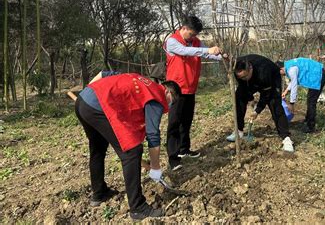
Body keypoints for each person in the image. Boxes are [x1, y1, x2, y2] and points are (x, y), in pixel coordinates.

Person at [75, 70, 181, 220]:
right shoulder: (157, 96)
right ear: (168, 92)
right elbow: (153, 136)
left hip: (83, 100)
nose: (170, 106)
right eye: (173, 101)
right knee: (132, 151)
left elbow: (103, 74)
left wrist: (88, 94)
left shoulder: (139, 79)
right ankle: (138, 208)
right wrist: (156, 167)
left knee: (98, 147)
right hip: (96, 107)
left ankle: (99, 193)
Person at [164, 16, 223, 171]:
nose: (193, 37)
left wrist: (220, 56)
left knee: (187, 120)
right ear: (183, 28)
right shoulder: (172, 41)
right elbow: (185, 51)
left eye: (195, 35)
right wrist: (206, 50)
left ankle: (184, 149)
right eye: (191, 34)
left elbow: (206, 54)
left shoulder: (196, 42)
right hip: (175, 89)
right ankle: (173, 157)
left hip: (190, 87)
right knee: (174, 123)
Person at [228, 54, 294, 152]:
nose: (244, 79)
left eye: (245, 76)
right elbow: (243, 85)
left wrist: (257, 111)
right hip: (253, 78)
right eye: (241, 77)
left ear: (250, 68)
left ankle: (286, 138)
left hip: (272, 78)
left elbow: (265, 95)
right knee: (239, 97)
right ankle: (239, 131)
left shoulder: (264, 72)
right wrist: (250, 99)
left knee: (274, 104)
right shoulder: (236, 69)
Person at [276, 58, 325, 133]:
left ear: (281, 69)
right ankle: (308, 119)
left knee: (311, 102)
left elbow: (294, 86)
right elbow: (294, 80)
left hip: (318, 75)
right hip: (316, 75)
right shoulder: (289, 65)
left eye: (279, 73)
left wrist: (291, 104)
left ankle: (311, 127)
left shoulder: (291, 69)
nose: (280, 75)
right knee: (310, 99)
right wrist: (286, 91)